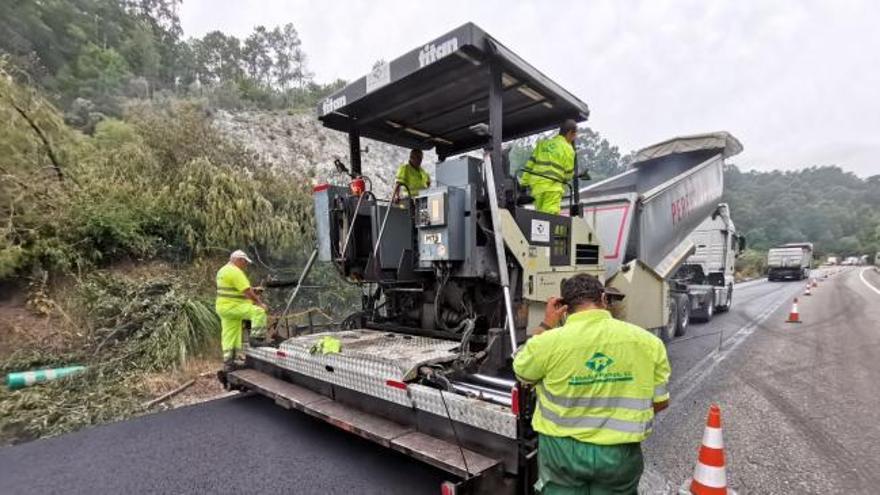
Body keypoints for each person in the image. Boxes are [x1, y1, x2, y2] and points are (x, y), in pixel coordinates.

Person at [513, 274, 671, 495]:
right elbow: (660, 402)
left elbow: (522, 370)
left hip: (561, 453)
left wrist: (546, 324)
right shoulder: (650, 343)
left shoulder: (547, 343)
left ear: (565, 308)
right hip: (619, 455)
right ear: (604, 299)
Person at [215, 250, 269, 372]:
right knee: (258, 312)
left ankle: (229, 363)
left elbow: (233, 289)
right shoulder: (236, 272)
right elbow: (246, 291)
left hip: (223, 308)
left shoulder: (222, 271)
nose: (246, 265)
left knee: (230, 335)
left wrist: (253, 290)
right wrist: (259, 303)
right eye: (245, 262)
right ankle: (256, 340)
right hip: (234, 306)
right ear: (239, 260)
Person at [520, 119, 578, 215]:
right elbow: (568, 174)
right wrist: (567, 178)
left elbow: (529, 166)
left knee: (540, 218)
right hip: (552, 189)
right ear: (570, 133)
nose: (575, 137)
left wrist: (524, 184)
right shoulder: (568, 149)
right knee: (549, 218)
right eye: (575, 134)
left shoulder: (542, 144)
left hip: (537, 189)